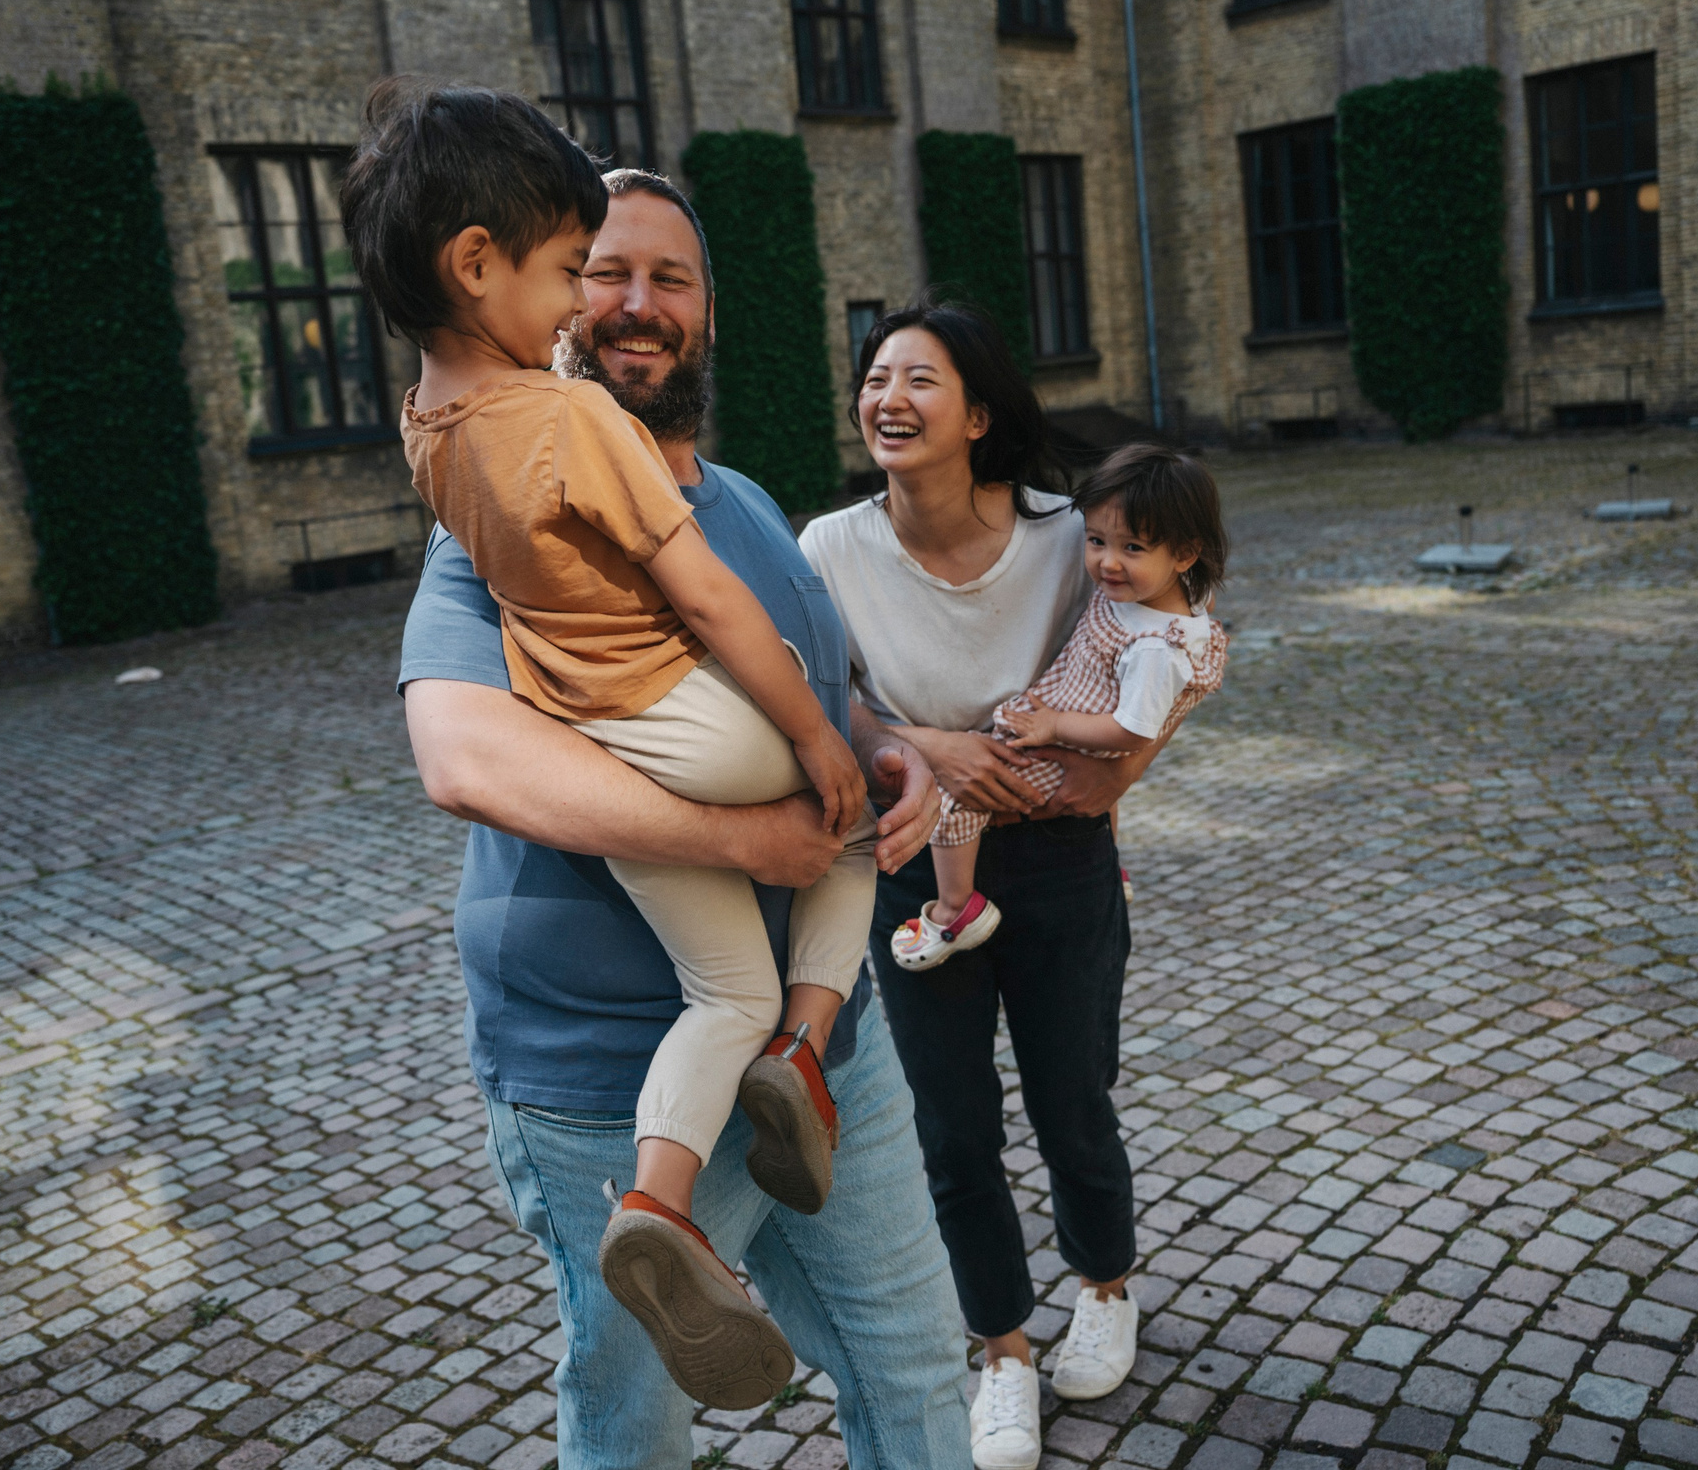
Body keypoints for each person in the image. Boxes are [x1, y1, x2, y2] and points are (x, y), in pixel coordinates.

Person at [399, 171, 974, 1468]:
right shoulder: (499, 518)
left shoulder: (751, 505)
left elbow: (819, 693)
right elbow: (462, 755)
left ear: (708, 310)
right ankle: (667, 1211)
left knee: (916, 1365)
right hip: (605, 1074)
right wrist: (744, 840)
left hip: (825, 1059)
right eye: (604, 270)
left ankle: (796, 1055)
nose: (638, 302)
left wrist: (888, 752)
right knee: (639, 1438)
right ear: (550, 290)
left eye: (672, 277)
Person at [346, 83, 873, 1402]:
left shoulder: (427, 429)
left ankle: (660, 1202)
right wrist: (823, 739)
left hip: (601, 743)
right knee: (854, 824)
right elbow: (714, 603)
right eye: (573, 269)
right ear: (477, 262)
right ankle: (806, 1047)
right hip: (688, 728)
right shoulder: (577, 419)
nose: (582, 304)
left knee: (721, 990)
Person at [797, 302, 1162, 1470]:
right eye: (875, 376)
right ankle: (1001, 1348)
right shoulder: (829, 548)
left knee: (1072, 1096)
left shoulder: (1066, 536)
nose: (887, 397)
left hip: (1054, 847)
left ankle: (1104, 1282)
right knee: (950, 1125)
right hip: (914, 854)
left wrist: (1112, 777)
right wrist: (930, 747)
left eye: (920, 378)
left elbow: (1166, 640)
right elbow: (822, 699)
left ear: (979, 415)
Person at [891, 445, 1229, 972]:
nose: (1107, 562)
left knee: (955, 799)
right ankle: (1111, 867)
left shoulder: (1156, 649)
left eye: (1133, 547)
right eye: (1096, 541)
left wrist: (1054, 725)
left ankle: (957, 909)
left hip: (1075, 737)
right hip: (1071, 714)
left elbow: (1133, 732)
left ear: (1185, 554)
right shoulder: (1160, 592)